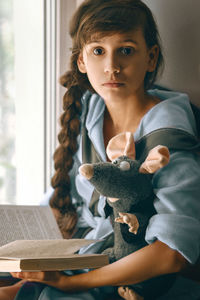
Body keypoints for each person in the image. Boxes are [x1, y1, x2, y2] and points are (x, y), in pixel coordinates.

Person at [2, 0, 200, 299]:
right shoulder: (89, 111)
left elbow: (173, 253)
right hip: (79, 252)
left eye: (126, 50)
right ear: (81, 61)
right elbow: (62, 199)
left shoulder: (169, 131)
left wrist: (70, 283)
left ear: (151, 57)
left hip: (132, 273)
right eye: (98, 51)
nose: (112, 66)